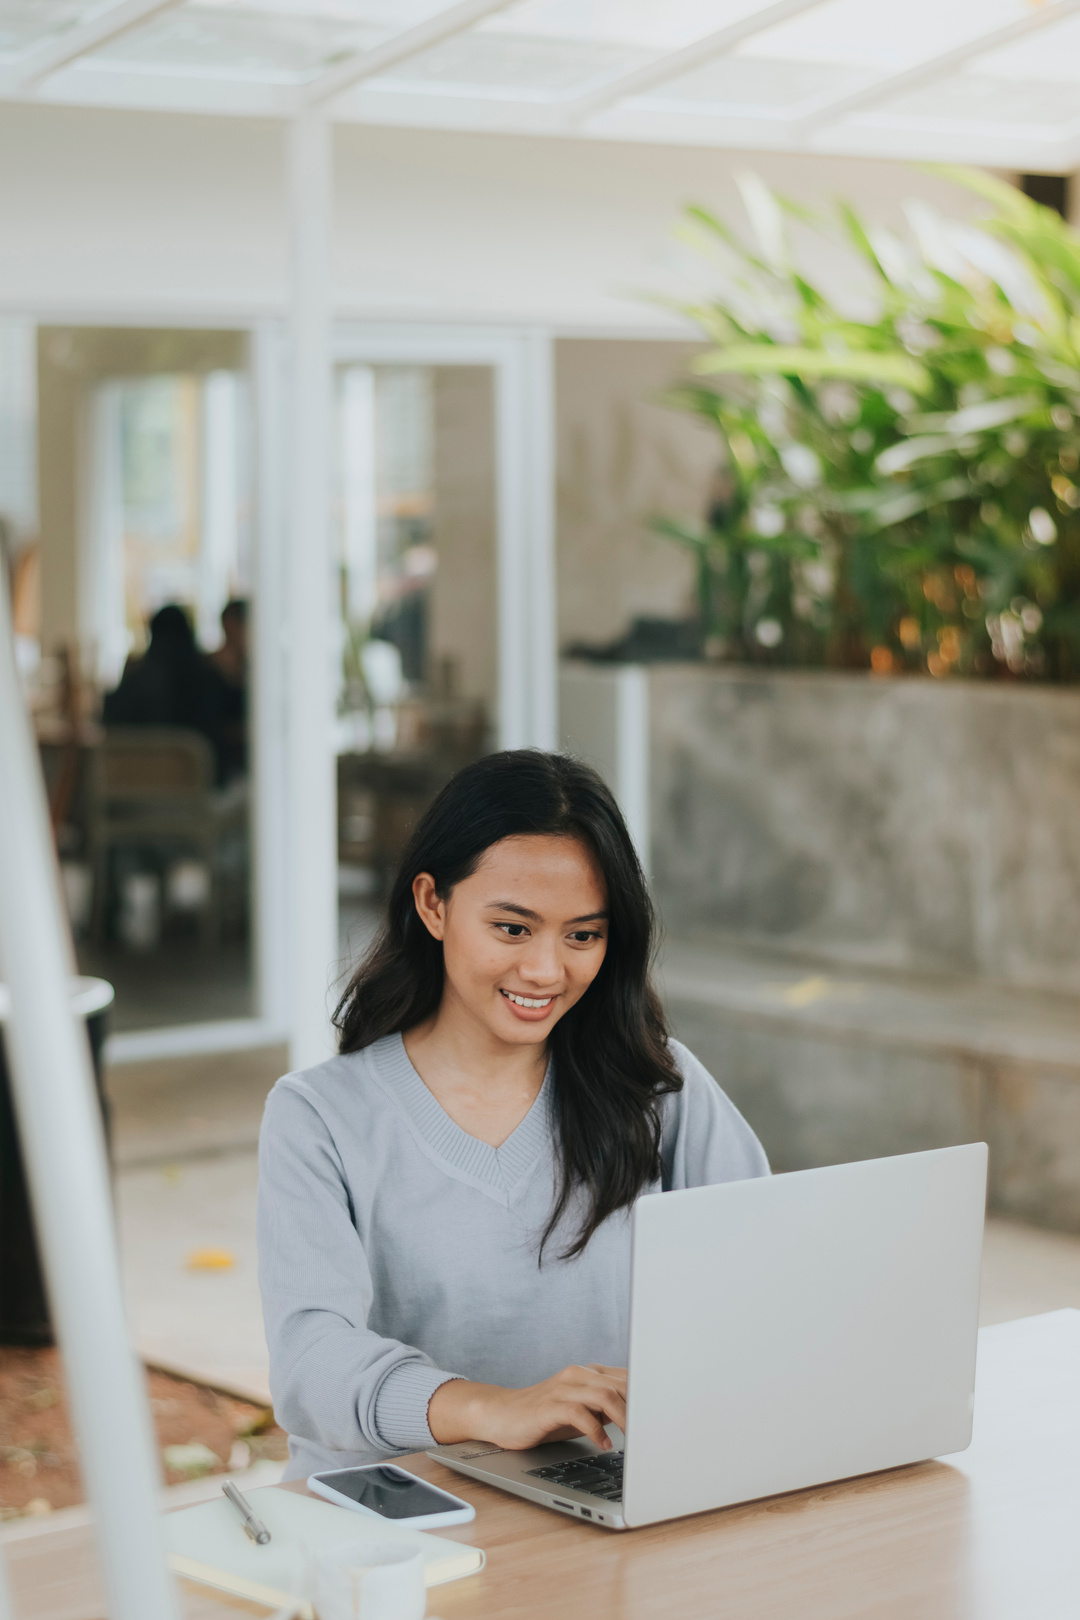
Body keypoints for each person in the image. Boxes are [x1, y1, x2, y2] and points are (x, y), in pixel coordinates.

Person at [258, 750, 768, 1482]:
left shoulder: (661, 1088)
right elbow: (311, 1362)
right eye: (513, 928)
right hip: (405, 1516)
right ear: (433, 904)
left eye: (583, 936)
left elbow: (769, 1281)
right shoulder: (319, 1118)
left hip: (609, 1495)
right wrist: (491, 1409)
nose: (545, 971)